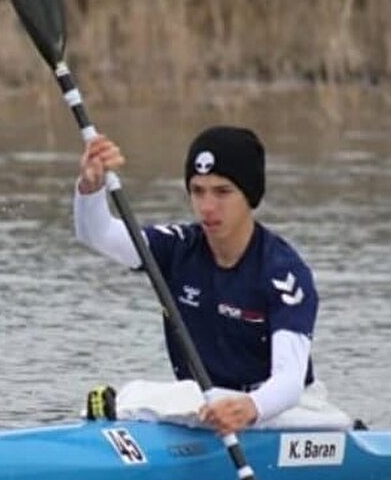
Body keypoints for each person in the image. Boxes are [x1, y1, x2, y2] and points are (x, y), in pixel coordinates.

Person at [75, 125, 331, 436]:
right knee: (139, 393)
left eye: (222, 192)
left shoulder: (283, 273)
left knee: (170, 400)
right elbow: (98, 235)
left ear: (249, 196)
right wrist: (91, 188)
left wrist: (250, 407)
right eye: (198, 191)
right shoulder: (179, 247)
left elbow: (289, 382)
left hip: (283, 412)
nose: (207, 207)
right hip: (204, 406)